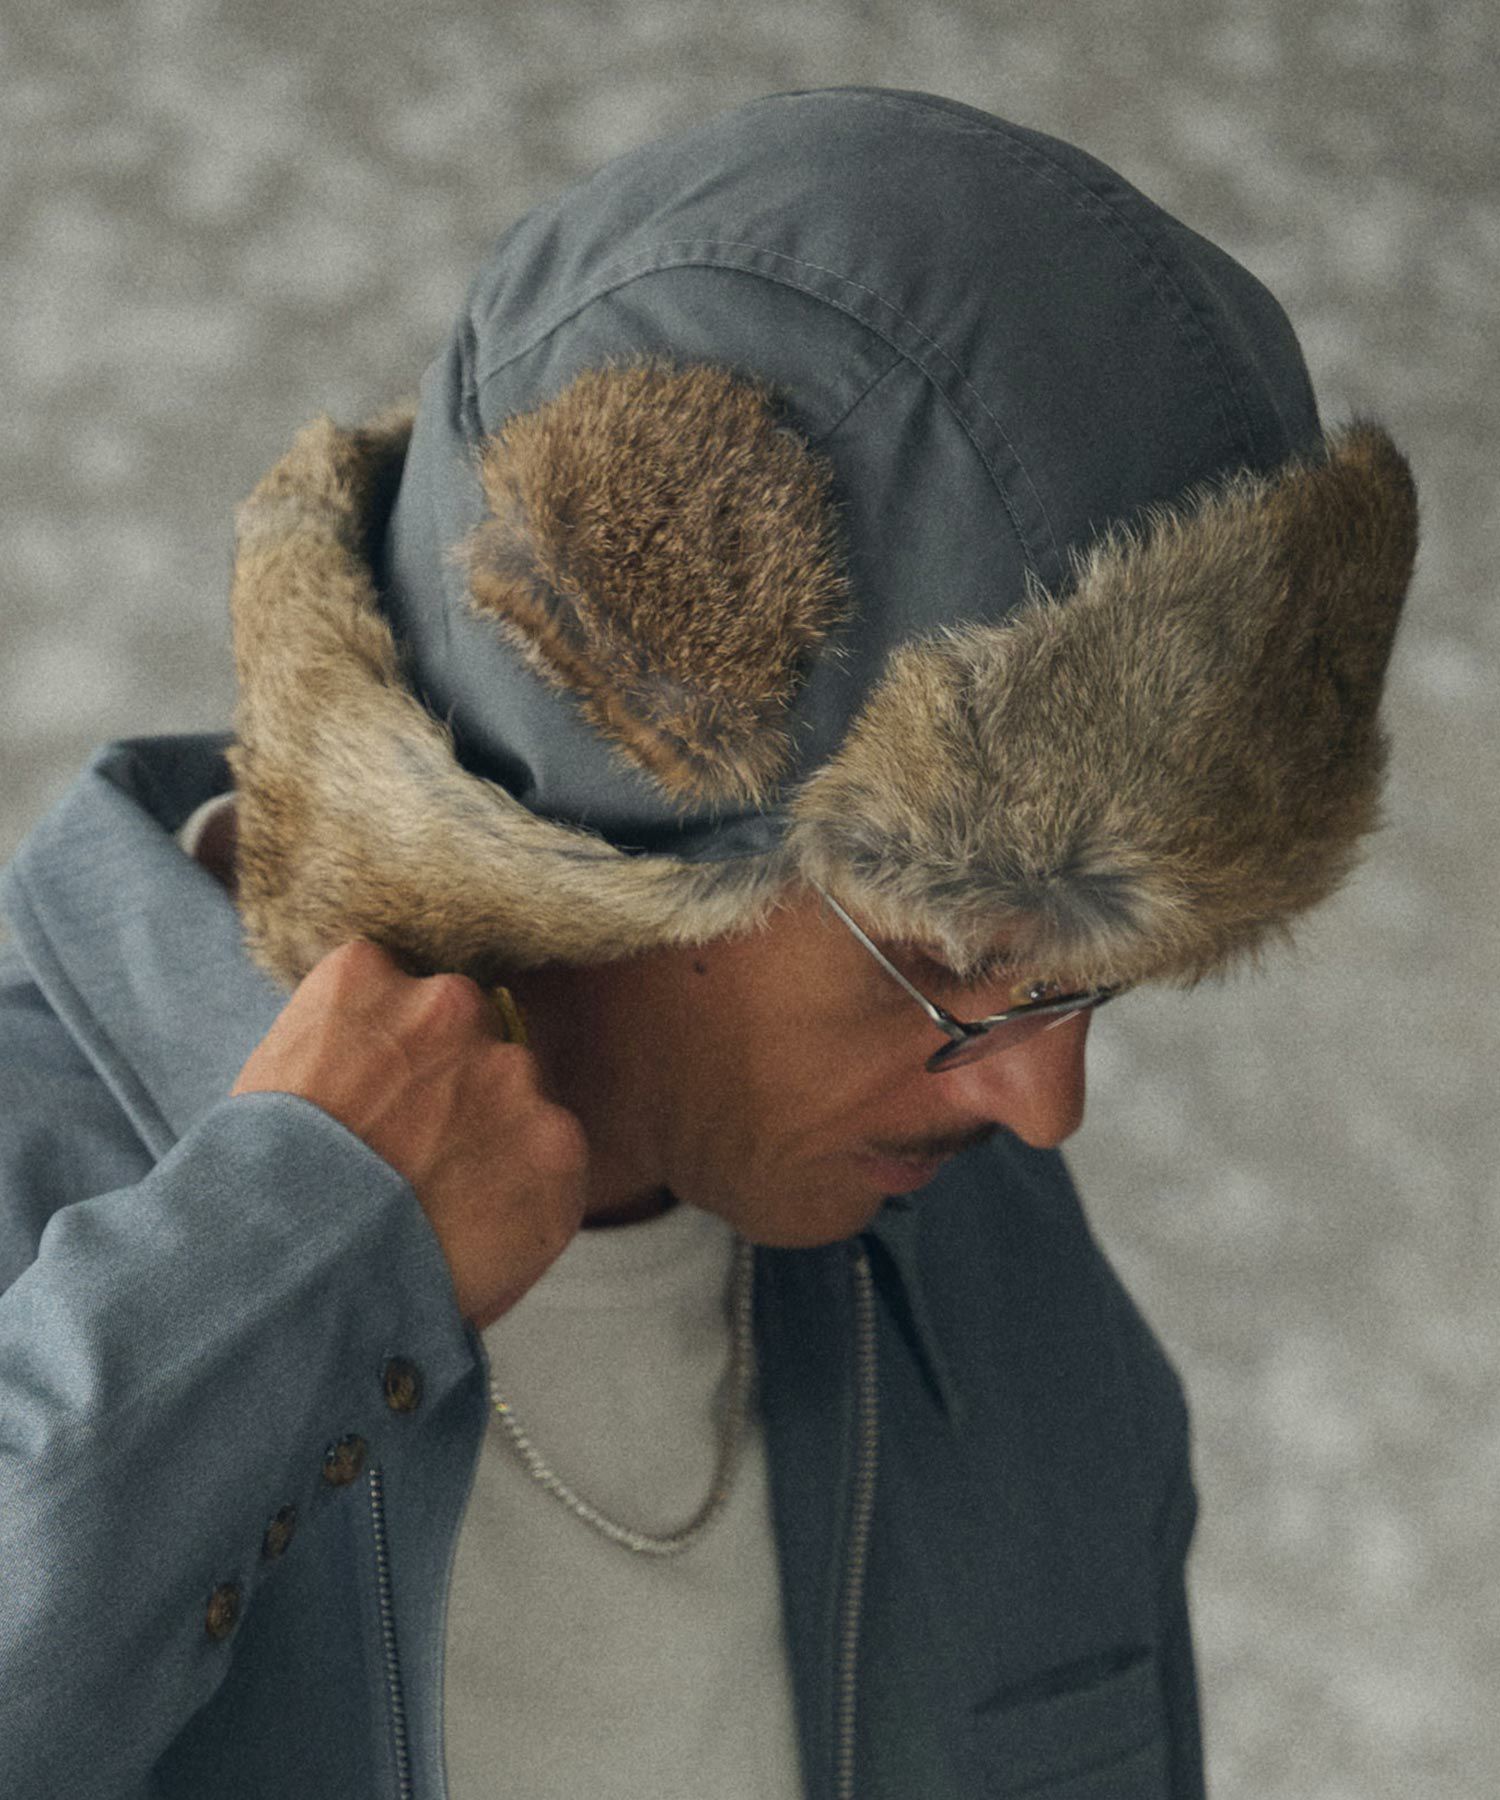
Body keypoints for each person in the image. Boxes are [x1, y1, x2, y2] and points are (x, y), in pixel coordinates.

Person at [0, 87, 1415, 1800]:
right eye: (956, 959)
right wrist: (270, 1276)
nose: (1046, 1109)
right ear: (619, 826)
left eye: (1087, 983)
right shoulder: (37, 1185)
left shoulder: (992, 1283)